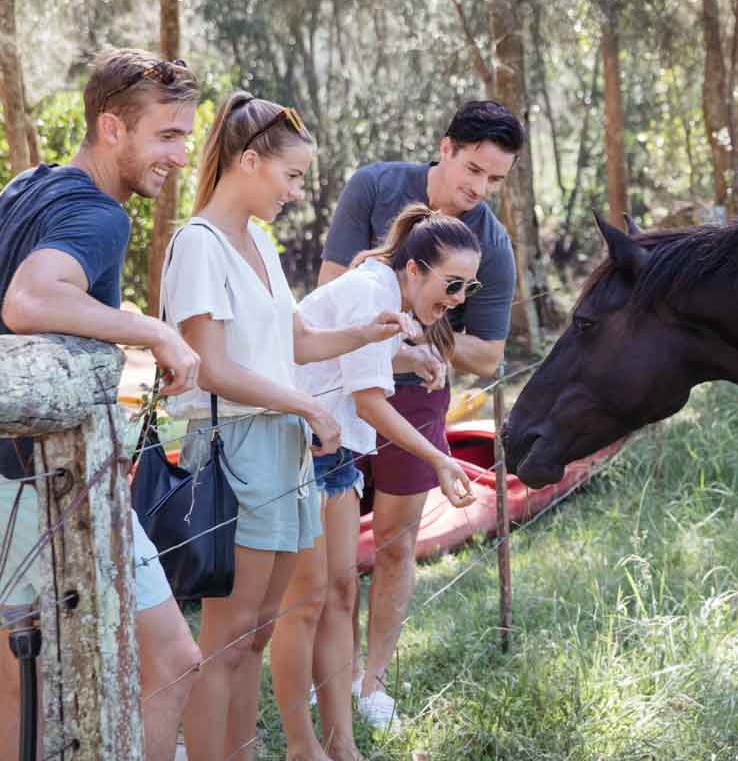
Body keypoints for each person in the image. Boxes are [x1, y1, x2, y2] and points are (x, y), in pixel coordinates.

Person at [163, 91, 412, 761]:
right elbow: (210, 366)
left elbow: (296, 340)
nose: (298, 193)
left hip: (285, 449)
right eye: (292, 177)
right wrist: (306, 406)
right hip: (240, 445)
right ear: (248, 161)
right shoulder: (199, 245)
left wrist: (368, 330)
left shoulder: (260, 243)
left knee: (256, 634)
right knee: (227, 635)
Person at [0, 47, 203, 761]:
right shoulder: (99, 216)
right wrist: (154, 330)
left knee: (26, 694)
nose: (182, 155)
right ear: (113, 129)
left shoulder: (29, 186)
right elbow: (28, 300)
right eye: (168, 135)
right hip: (31, 489)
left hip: (42, 478)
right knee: (161, 665)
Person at [318, 100, 522, 728]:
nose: (479, 189)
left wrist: (417, 335)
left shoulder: (491, 241)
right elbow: (333, 292)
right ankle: (334, 671)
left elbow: (487, 354)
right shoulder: (375, 186)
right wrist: (397, 333)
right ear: (445, 146)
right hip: (338, 391)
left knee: (394, 547)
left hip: (418, 399)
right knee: (334, 555)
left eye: (494, 180)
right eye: (473, 169)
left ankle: (372, 685)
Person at [269, 204, 479, 760]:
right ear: (414, 270)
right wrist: (441, 459)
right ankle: (302, 744)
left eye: (468, 288)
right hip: (298, 451)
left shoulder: (387, 295)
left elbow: (357, 357)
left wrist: (411, 355)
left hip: (334, 454)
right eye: (451, 285)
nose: (456, 300)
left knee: (340, 594)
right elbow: (370, 402)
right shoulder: (371, 291)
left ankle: (343, 745)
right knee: (305, 604)